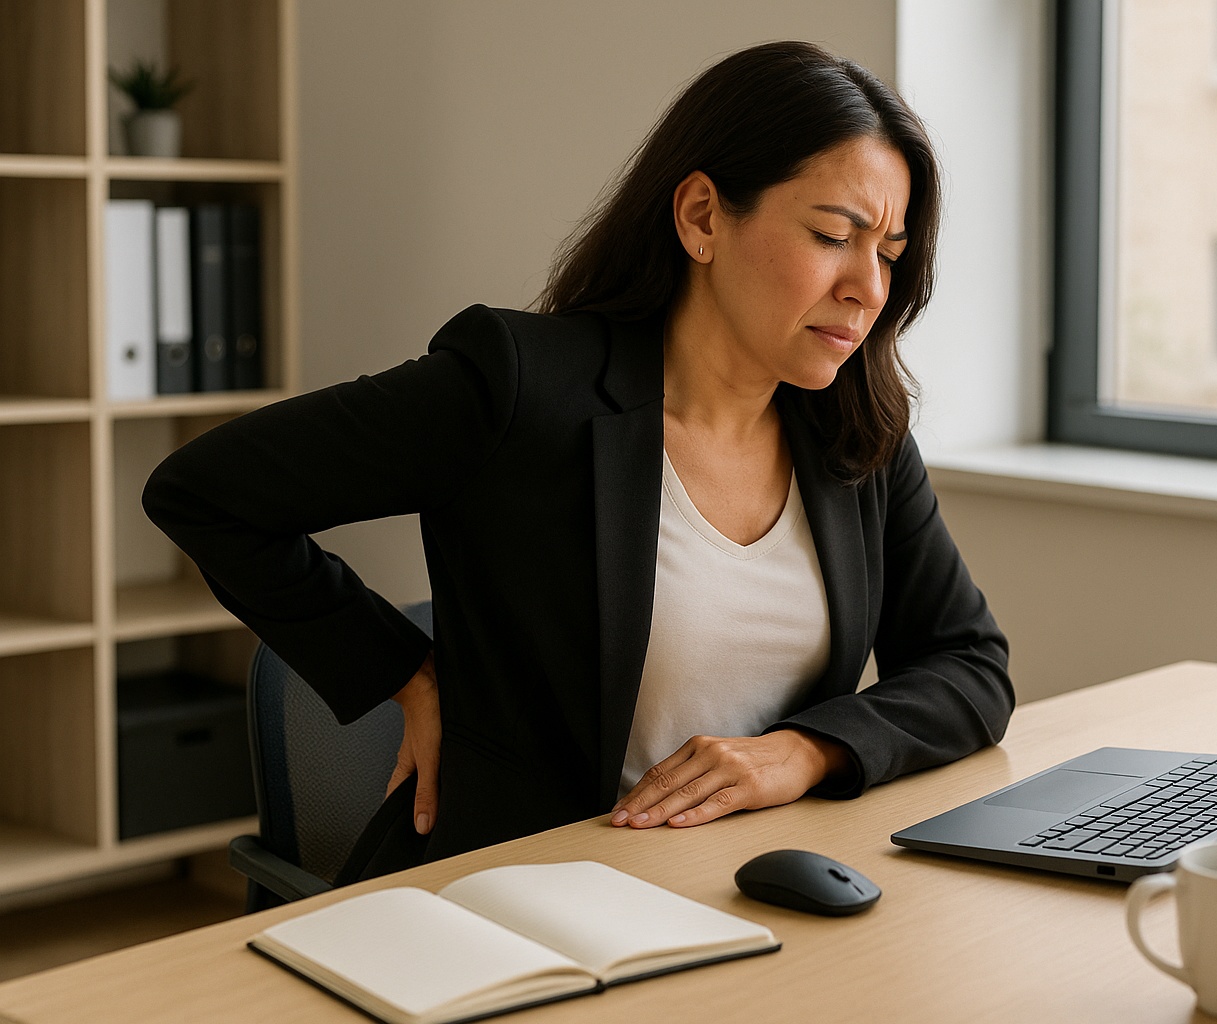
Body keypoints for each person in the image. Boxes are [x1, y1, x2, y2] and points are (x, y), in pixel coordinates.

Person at [143, 40, 1013, 883]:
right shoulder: (520, 387)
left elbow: (969, 665)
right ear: (702, 216)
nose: (869, 285)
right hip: (526, 899)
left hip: (739, 890)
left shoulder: (855, 432)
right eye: (834, 234)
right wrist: (402, 668)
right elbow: (208, 491)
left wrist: (808, 751)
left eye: (890, 254)